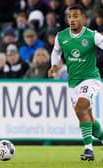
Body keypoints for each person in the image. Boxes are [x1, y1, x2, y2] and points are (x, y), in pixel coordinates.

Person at [48, 4, 103, 161]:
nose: (72, 19)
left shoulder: (92, 36)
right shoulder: (61, 36)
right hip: (73, 83)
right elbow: (56, 51)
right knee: (89, 123)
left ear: (83, 18)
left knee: (81, 106)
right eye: (69, 16)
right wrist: (53, 66)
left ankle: (88, 150)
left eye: (76, 16)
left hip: (91, 78)